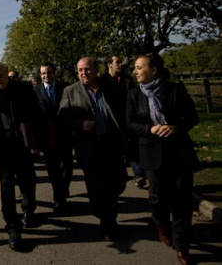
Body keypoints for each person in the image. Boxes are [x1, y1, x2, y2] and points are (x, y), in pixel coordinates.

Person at [125, 53, 199, 265]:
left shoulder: (175, 90)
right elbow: (129, 123)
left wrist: (175, 127)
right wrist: (150, 128)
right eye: (135, 68)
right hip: (150, 153)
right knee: (158, 199)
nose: (135, 71)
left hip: (179, 154)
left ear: (154, 70)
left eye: (139, 67)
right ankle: (161, 224)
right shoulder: (133, 94)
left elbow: (192, 117)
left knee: (182, 201)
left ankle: (182, 245)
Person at [58, 57, 128, 241]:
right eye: (80, 70)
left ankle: (108, 212)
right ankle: (107, 221)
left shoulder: (110, 87)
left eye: (87, 69)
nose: (84, 73)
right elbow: (63, 117)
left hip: (112, 145)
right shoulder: (70, 91)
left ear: (97, 69)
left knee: (117, 183)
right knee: (96, 188)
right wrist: (80, 124)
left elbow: (123, 109)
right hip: (90, 148)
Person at [0, 61, 44, 251]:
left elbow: (36, 114)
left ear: (6, 72)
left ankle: (29, 211)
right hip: (2, 146)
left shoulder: (24, 89)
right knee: (6, 186)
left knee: (28, 180)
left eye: (0, 76)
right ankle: (12, 226)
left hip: (23, 143)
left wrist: (35, 141)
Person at [101, 55, 147, 189]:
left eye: (121, 62)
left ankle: (139, 175)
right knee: (116, 149)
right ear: (109, 64)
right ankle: (120, 174)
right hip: (111, 119)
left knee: (131, 146)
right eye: (117, 62)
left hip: (127, 117)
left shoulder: (126, 79)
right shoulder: (103, 80)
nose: (120, 64)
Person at [34, 62, 72, 213]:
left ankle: (63, 190)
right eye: (43, 73)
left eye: (48, 72)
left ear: (54, 73)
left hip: (65, 135)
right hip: (47, 137)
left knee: (66, 167)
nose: (46, 76)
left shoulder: (66, 88)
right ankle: (59, 198)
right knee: (53, 170)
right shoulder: (35, 91)